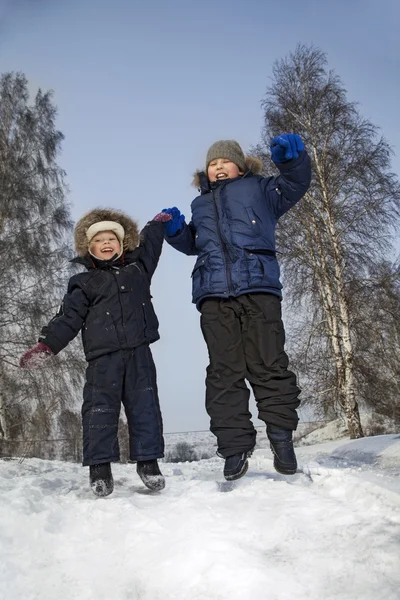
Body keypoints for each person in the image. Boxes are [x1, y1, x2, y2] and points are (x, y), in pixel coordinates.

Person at [162, 134, 311, 481]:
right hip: (214, 295)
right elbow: (194, 244)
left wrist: (292, 161)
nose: (217, 167)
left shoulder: (261, 189)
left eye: (224, 162)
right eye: (212, 164)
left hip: (258, 287)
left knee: (268, 363)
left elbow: (294, 184)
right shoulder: (200, 204)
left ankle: (280, 438)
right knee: (223, 372)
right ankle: (234, 448)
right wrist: (176, 231)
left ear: (240, 166)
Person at [20, 207, 172, 497]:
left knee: (145, 407)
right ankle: (100, 467)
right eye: (98, 240)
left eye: (111, 239)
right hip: (103, 358)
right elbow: (68, 318)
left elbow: (150, 247)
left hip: (139, 354)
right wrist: (48, 345)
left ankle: (148, 462)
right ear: (89, 248)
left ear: (122, 243)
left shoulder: (138, 270)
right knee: (99, 410)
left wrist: (156, 225)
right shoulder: (83, 283)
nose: (106, 243)